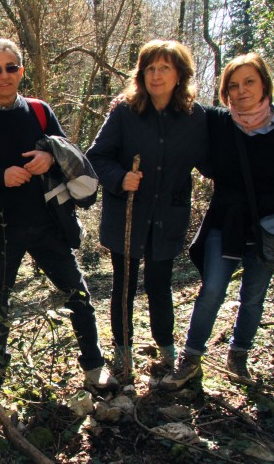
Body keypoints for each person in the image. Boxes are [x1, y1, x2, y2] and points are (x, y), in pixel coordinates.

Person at [0, 38, 118, 391]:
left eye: (11, 67)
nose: (4, 75)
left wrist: (50, 158)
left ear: (21, 71)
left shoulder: (40, 111)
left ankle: (94, 365)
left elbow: (68, 154)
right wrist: (0, 176)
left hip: (47, 224)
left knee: (78, 294)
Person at [161, 53, 274, 390]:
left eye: (249, 81)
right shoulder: (218, 122)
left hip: (270, 227)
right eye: (233, 85)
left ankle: (238, 355)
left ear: (264, 84)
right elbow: (177, 105)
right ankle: (191, 358)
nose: (241, 90)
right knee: (212, 290)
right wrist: (128, 104)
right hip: (226, 220)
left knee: (253, 296)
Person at [86, 40, 208, 374]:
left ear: (180, 74)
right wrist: (120, 177)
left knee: (159, 284)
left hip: (168, 217)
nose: (156, 75)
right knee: (123, 286)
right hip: (127, 215)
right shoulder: (125, 112)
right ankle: (122, 350)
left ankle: (166, 348)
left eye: (164, 68)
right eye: (150, 68)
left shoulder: (195, 117)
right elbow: (96, 156)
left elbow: (212, 156)